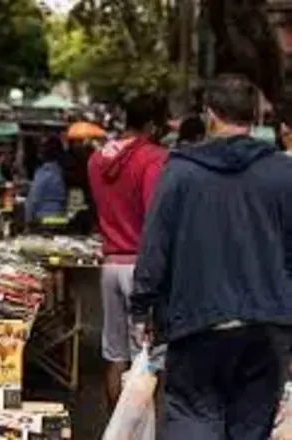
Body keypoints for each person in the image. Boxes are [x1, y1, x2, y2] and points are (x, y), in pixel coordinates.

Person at [131, 74, 292, 440]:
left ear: (210, 115)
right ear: (255, 117)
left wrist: (141, 308)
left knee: (193, 418)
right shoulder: (283, 172)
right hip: (267, 325)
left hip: (196, 321)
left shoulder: (181, 172)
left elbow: (155, 246)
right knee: (251, 427)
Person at [87, 95, 167, 409]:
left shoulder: (98, 158)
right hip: (142, 268)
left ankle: (115, 427)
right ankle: (140, 430)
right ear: (152, 125)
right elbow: (155, 217)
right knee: (147, 360)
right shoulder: (153, 158)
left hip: (110, 264)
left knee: (115, 355)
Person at [25, 136, 67, 223]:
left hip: (43, 218)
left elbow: (34, 198)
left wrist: (28, 219)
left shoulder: (43, 172)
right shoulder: (61, 171)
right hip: (60, 216)